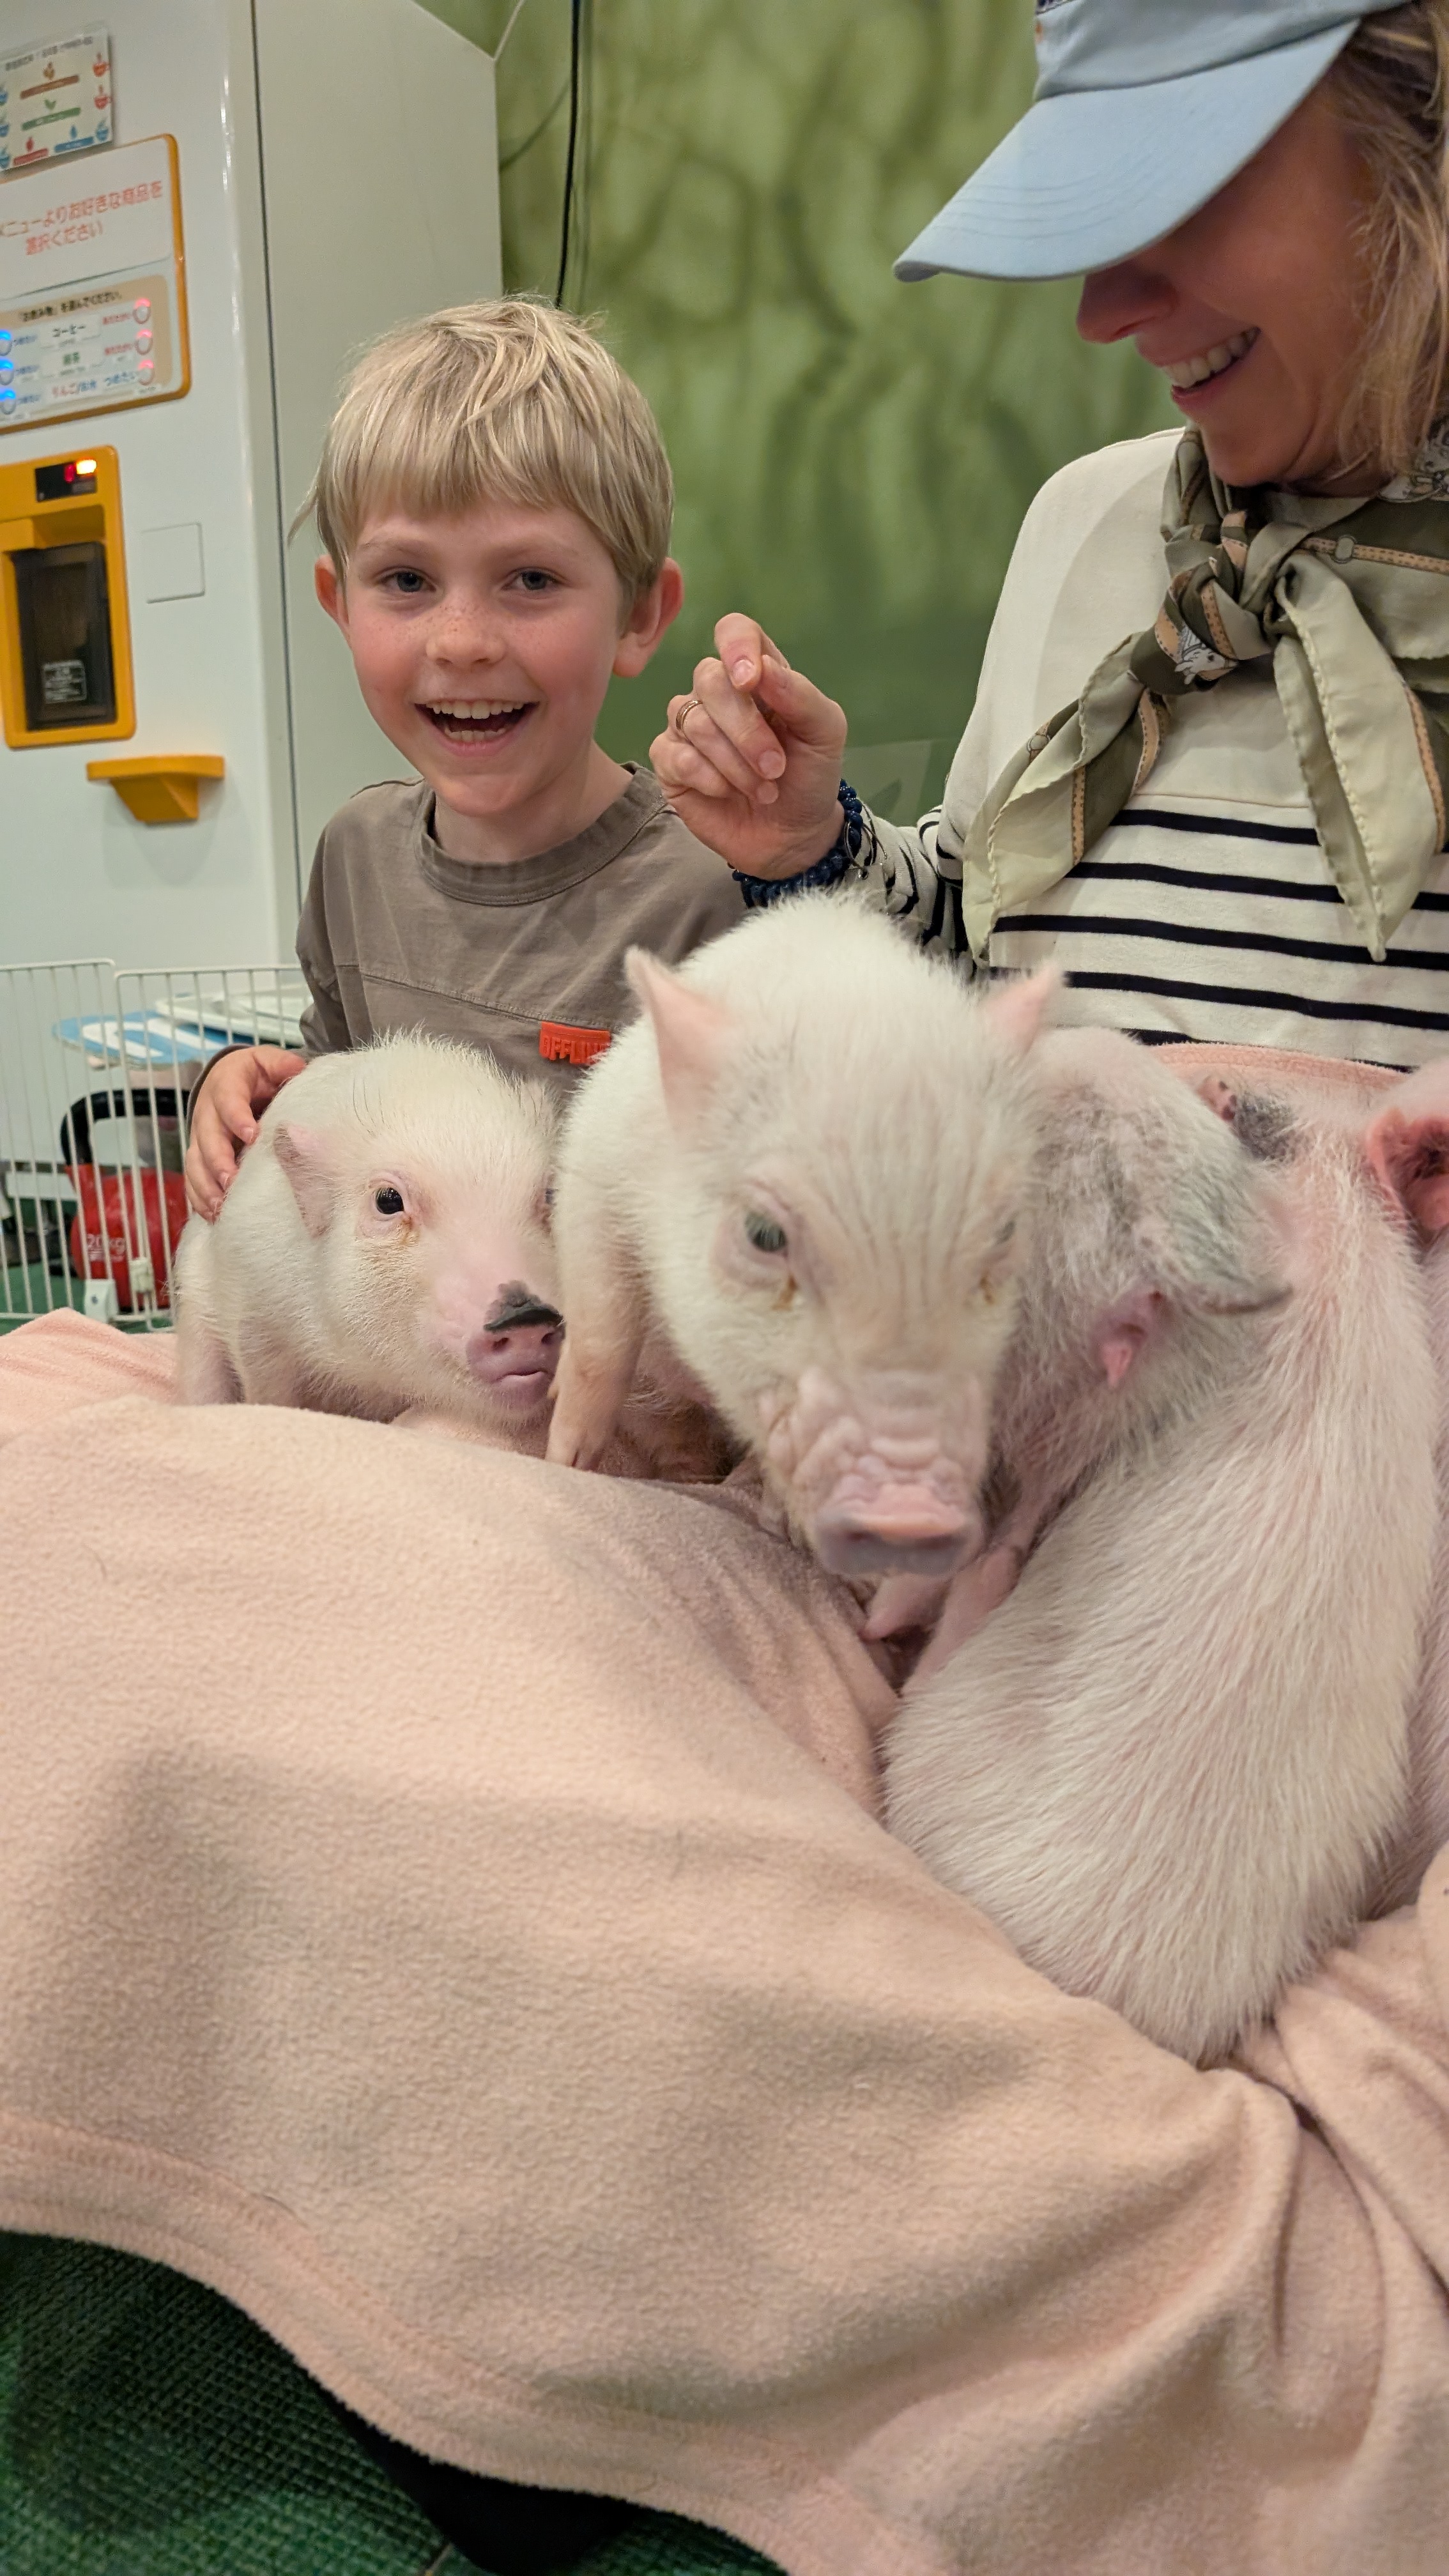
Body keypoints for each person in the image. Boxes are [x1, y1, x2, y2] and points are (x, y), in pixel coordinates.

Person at [654, 0, 1449, 1073]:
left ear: (1424, 138)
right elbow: (977, 968)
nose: (1102, 308)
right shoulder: (1084, 521)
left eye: (1178, 188)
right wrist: (815, 848)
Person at [184, 299, 743, 1220]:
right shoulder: (354, 857)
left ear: (639, 616)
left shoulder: (710, 894)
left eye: (530, 580)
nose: (462, 641)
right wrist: (252, 1092)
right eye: (407, 581)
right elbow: (346, 1115)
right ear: (339, 604)